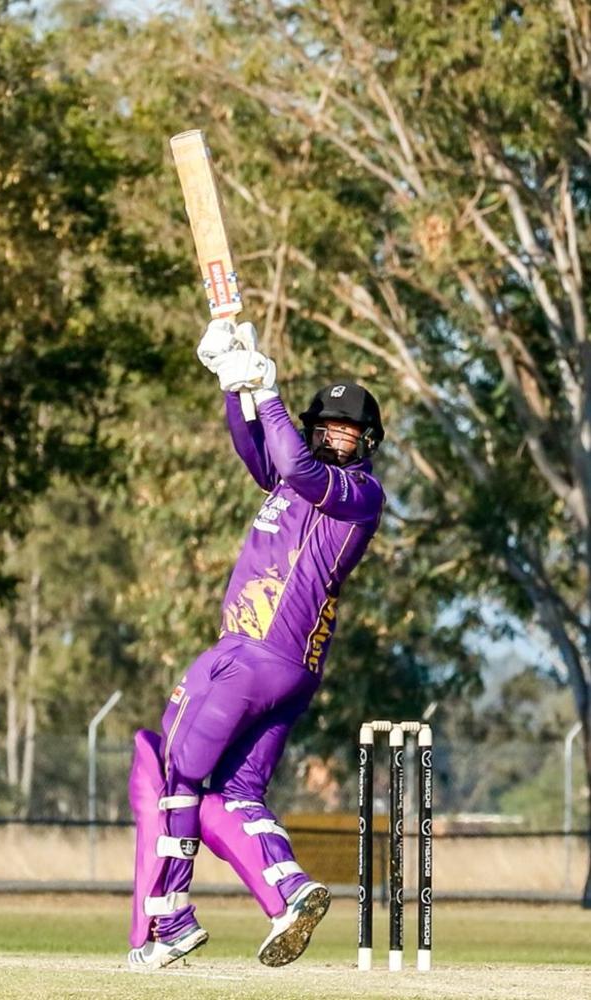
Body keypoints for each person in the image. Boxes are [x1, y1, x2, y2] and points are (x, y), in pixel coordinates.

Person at [127, 319, 385, 971]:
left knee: (178, 773)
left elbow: (295, 462)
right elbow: (256, 447)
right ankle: (291, 893)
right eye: (327, 425)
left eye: (348, 431)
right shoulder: (288, 481)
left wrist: (266, 389)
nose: (335, 436)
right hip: (292, 672)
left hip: (252, 655)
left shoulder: (356, 494)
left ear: (368, 443)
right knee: (237, 793)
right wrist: (232, 382)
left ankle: (173, 921)